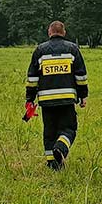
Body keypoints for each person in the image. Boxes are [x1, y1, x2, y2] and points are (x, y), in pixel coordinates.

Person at [25, 21, 88, 170]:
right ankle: (61, 148)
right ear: (64, 32)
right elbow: (81, 76)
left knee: (49, 132)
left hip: (46, 101)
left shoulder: (39, 50)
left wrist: (30, 99)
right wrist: (83, 95)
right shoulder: (73, 49)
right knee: (69, 128)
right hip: (67, 99)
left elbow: (32, 78)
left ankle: (52, 163)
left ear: (49, 32)